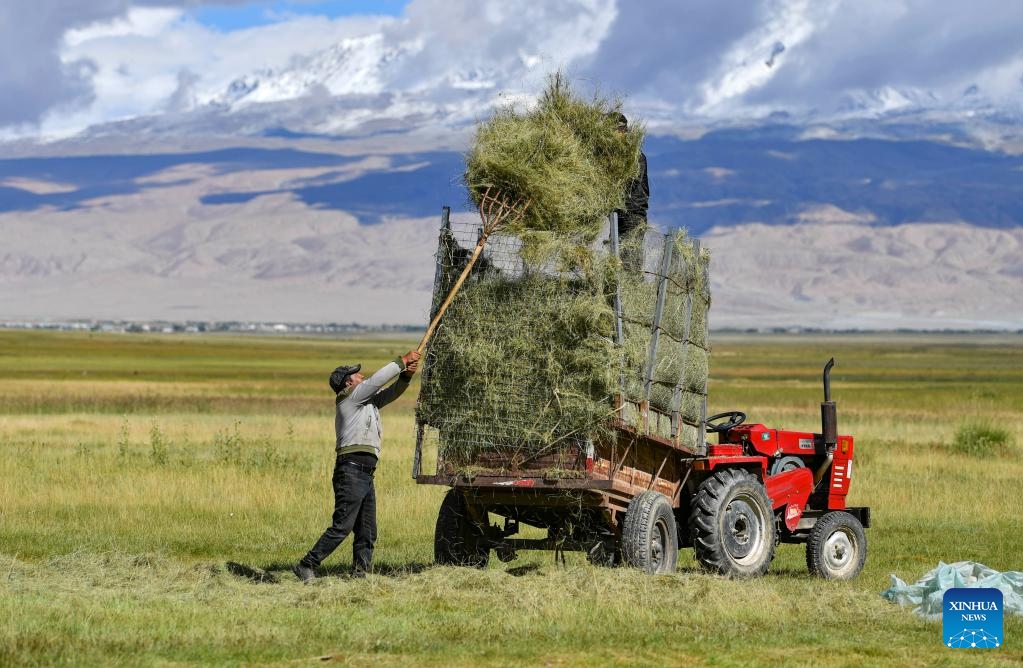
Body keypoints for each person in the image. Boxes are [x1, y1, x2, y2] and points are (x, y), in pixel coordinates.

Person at [293, 350, 421, 581]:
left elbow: (391, 393)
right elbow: (376, 381)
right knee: (342, 526)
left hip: (364, 473)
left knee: (367, 530)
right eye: (356, 374)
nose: (361, 375)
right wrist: (401, 362)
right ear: (347, 382)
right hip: (351, 471)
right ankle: (307, 564)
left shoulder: (365, 402)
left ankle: (360, 575)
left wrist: (405, 377)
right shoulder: (350, 397)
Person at [609, 111, 649, 272]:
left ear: (622, 132)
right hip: (617, 215)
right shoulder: (614, 156)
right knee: (615, 259)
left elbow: (630, 185)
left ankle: (632, 293)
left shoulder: (635, 157)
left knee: (629, 262)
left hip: (632, 215)